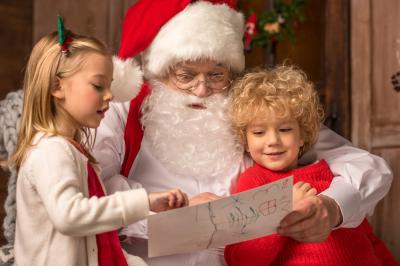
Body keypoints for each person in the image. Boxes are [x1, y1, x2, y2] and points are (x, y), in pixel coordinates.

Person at [93, 0, 393, 265]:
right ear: (159, 70)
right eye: (185, 76)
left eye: (216, 75)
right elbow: (94, 188)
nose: (201, 89)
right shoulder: (122, 109)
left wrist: (333, 206)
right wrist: (170, 212)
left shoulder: (252, 112)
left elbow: (366, 165)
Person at [8, 26, 188, 266]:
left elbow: (94, 241)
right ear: (56, 87)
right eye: (98, 85)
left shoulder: (75, 151)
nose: (110, 95)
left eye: (110, 86)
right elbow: (71, 216)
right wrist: (143, 201)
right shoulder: (51, 151)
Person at [224, 66, 397, 266]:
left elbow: (367, 235)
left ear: (303, 135)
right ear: (245, 141)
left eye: (285, 129)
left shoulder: (329, 172)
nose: (272, 140)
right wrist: (281, 209)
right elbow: (241, 259)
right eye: (259, 132)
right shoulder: (253, 182)